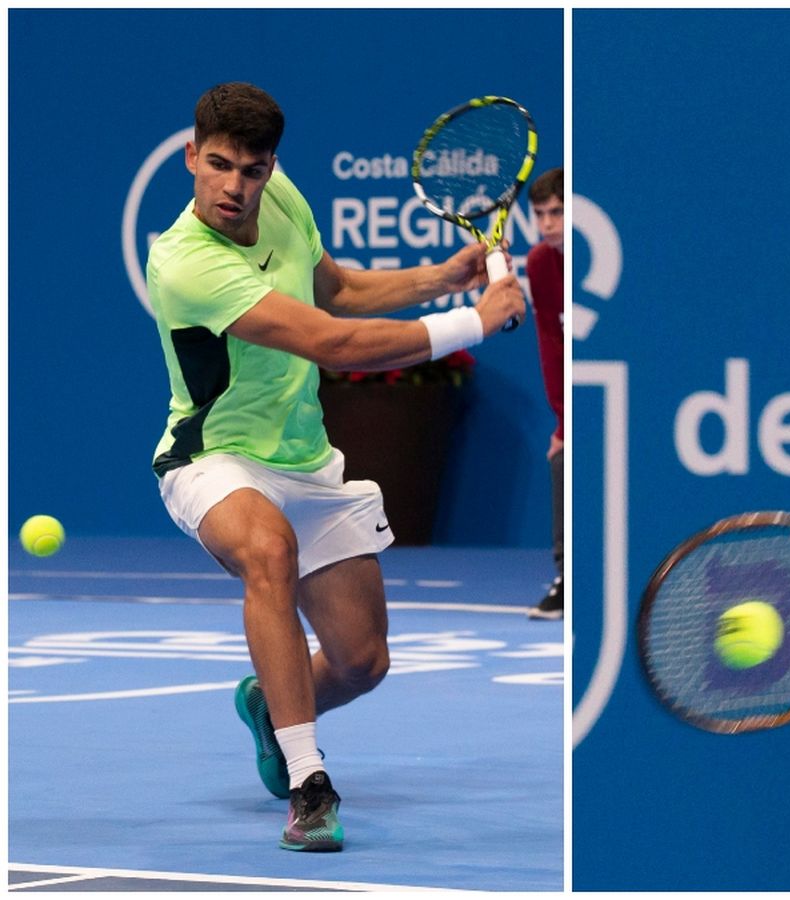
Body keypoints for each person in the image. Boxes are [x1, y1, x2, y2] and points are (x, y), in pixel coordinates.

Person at [146, 82, 526, 851]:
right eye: (217, 165)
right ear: (191, 158)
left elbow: (340, 289)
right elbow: (330, 341)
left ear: (270, 168)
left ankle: (268, 703)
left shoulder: (280, 198)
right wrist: (473, 322)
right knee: (267, 550)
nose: (233, 185)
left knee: (361, 663)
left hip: (307, 460)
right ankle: (309, 782)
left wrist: (437, 279)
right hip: (213, 457)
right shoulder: (184, 261)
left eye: (250, 171)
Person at [525, 167, 565, 620]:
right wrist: (564, 422)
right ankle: (565, 578)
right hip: (573, 408)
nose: (548, 223)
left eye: (557, 212)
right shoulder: (539, 263)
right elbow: (551, 341)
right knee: (560, 459)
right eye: (540, 214)